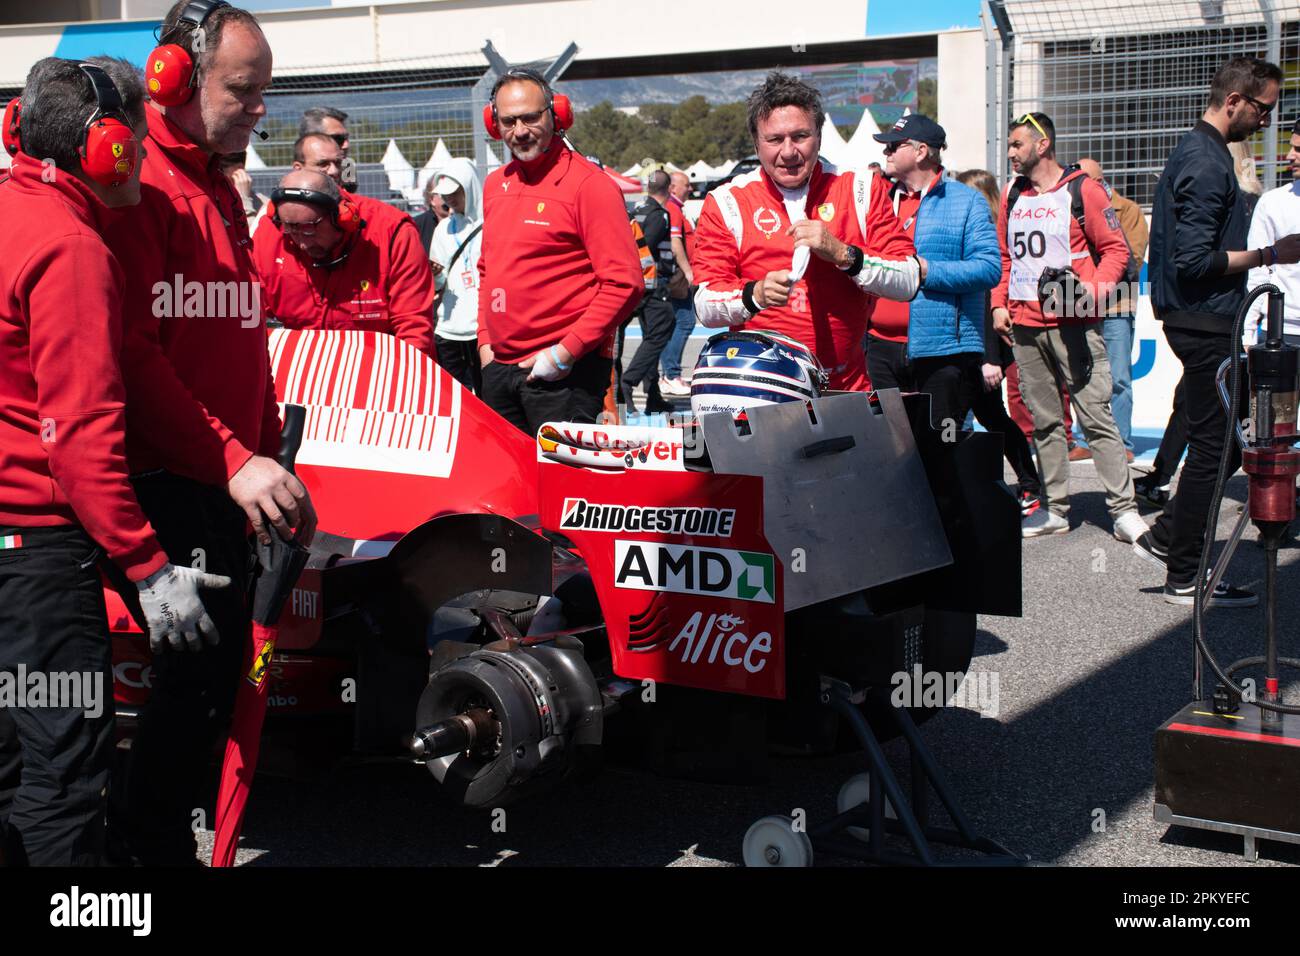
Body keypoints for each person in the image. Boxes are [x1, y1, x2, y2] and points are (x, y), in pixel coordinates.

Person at [102, 0, 316, 865]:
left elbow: (236, 335)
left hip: (225, 477)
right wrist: (234, 457)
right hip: (171, 479)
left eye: (266, 90)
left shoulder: (218, 183)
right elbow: (134, 354)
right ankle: (142, 858)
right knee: (191, 686)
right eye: (243, 90)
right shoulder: (142, 183)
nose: (260, 108)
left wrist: (269, 446)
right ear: (175, 80)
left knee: (213, 682)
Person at [0, 56, 226, 867]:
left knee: (12, 764)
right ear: (109, 150)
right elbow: (82, 437)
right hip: (39, 561)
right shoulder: (71, 249)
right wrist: (148, 565)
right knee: (65, 772)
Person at [1136, 57, 1300, 606]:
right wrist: (1272, 254)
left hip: (1203, 320)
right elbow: (1194, 261)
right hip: (1204, 322)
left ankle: (1168, 539)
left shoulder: (1202, 153)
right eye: (1262, 109)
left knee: (1226, 440)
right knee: (1216, 445)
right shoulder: (1207, 162)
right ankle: (1184, 574)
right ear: (1234, 101)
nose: (1266, 121)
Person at [693, 72, 921, 392]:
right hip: (761, 393)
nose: (788, 151)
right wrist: (753, 295)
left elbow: (909, 278)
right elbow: (704, 304)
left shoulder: (860, 188)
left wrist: (845, 255)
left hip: (846, 388)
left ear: (819, 136)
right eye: (775, 140)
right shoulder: (727, 201)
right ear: (757, 143)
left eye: (800, 136)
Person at [991, 112, 1146, 542]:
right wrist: (997, 304)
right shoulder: (1011, 194)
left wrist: (1092, 294)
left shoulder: (1084, 189)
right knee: (1044, 421)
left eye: (1017, 144)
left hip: (1073, 325)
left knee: (1096, 417)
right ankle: (1056, 508)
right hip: (1024, 326)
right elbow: (1007, 258)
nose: (1010, 152)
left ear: (1042, 145)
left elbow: (1117, 251)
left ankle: (1124, 510)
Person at [477, 68, 642, 435]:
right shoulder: (494, 185)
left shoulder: (589, 186)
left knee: (562, 487)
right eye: (508, 121)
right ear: (494, 124)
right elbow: (488, 269)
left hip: (565, 375)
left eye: (531, 117)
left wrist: (564, 353)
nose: (520, 131)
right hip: (500, 370)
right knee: (511, 486)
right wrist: (486, 344)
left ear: (557, 115)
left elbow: (624, 284)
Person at [870, 114, 1000, 431]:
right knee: (888, 450)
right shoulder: (877, 199)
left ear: (921, 151)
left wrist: (927, 271)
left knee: (940, 452)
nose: (885, 153)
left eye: (893, 146)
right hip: (878, 347)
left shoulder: (966, 201)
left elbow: (988, 268)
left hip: (940, 351)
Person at [252, 168, 434, 352]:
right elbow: (245, 312)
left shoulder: (393, 233)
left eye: (309, 228)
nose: (302, 244)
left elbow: (414, 327)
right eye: (291, 228)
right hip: (304, 366)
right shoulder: (269, 235)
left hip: (377, 367)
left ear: (343, 217)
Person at [957, 168, 1044, 517]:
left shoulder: (991, 236)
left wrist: (989, 358)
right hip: (967, 339)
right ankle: (1007, 482)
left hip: (985, 341)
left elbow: (986, 297)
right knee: (981, 415)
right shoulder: (972, 230)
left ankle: (1029, 484)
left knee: (992, 416)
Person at [1076, 158, 1146, 462]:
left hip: (1117, 303)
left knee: (1117, 376)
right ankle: (1087, 439)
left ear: (1099, 180)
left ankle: (1122, 442)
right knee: (1080, 375)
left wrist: (1091, 268)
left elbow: (1132, 259)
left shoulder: (1128, 210)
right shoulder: (1070, 207)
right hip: (1078, 304)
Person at [622, 170, 678, 414]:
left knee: (650, 336)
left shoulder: (638, 211)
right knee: (663, 328)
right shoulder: (659, 215)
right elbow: (647, 249)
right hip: (652, 284)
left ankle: (651, 394)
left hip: (638, 284)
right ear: (670, 188)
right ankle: (629, 382)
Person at [428, 158, 484, 391]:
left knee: (485, 394)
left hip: (480, 328)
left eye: (454, 193)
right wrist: (436, 274)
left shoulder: (490, 224)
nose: (448, 199)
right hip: (449, 327)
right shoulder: (442, 229)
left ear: (469, 188)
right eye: (444, 194)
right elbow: (439, 283)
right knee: (452, 394)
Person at [1245, 118, 1300, 345]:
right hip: (1282, 331)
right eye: (1291, 146)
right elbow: (1257, 273)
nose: (1289, 156)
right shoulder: (1272, 203)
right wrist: (1247, 333)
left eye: (1299, 149)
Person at [658, 170, 697, 396]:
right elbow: (675, 244)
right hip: (677, 277)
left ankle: (669, 375)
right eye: (687, 185)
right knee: (685, 322)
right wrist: (689, 271)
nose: (690, 189)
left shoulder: (676, 208)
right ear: (673, 188)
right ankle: (671, 374)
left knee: (677, 324)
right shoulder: (672, 209)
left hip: (676, 276)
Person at [220, 149, 270, 232]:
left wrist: (244, 200)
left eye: (221, 168)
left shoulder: (264, 206)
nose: (214, 172)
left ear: (239, 169)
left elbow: (255, 238)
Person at [413, 174, 450, 256]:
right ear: (432, 199)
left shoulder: (465, 223)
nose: (450, 198)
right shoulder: (416, 226)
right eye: (443, 194)